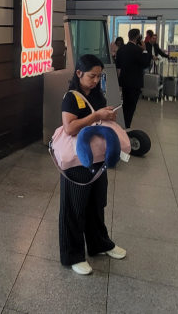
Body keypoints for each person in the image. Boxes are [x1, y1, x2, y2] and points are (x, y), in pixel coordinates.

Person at [60, 54, 126, 275]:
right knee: (75, 206)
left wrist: (107, 117)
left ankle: (100, 244)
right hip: (78, 160)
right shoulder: (71, 97)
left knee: (97, 203)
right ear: (79, 73)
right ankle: (73, 254)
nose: (96, 80)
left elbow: (99, 118)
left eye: (99, 76)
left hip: (98, 157)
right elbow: (70, 128)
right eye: (92, 76)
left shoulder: (97, 94)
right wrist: (96, 115)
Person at [116, 29, 151, 129]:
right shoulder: (138, 50)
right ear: (138, 37)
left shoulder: (121, 49)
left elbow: (118, 66)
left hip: (123, 80)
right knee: (131, 106)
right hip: (135, 82)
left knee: (125, 103)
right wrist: (144, 50)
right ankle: (126, 126)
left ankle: (121, 124)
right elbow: (145, 64)